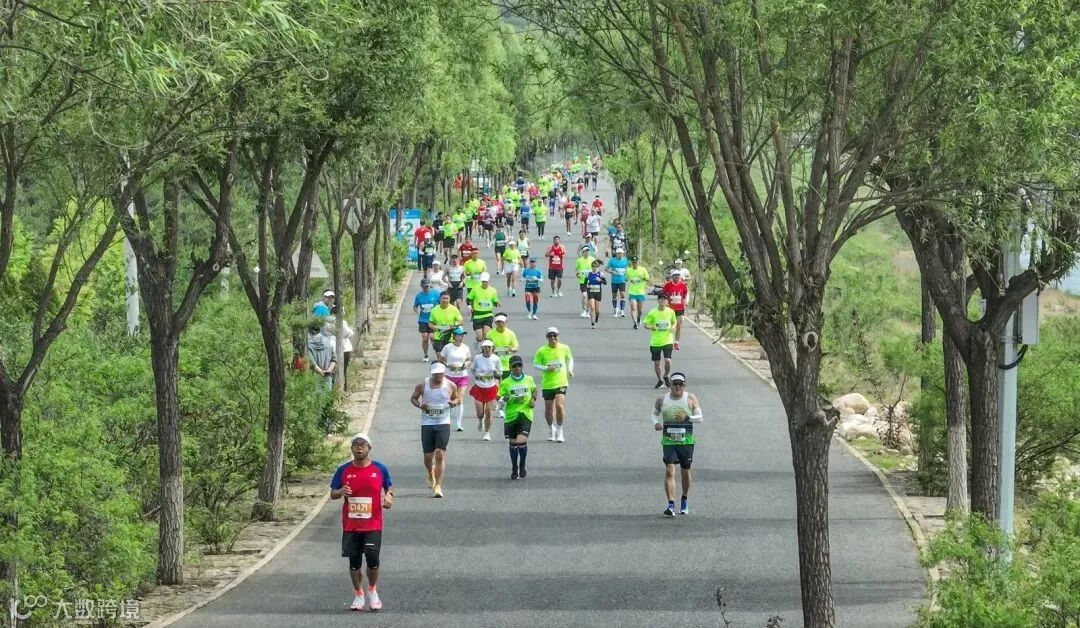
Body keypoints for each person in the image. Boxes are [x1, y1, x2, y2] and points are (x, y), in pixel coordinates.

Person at [330, 433, 393, 611]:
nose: (359, 447)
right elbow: (333, 494)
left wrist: (389, 497)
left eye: (363, 444)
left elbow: (389, 487)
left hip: (373, 523)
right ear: (351, 448)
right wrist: (341, 491)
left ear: (369, 448)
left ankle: (372, 590)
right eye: (356, 444)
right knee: (354, 562)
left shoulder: (380, 469)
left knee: (372, 558)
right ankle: (358, 594)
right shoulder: (343, 470)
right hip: (351, 525)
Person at [652, 372, 703, 516]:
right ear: (671, 385)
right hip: (669, 441)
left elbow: (700, 418)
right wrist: (656, 423)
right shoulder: (662, 399)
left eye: (680, 384)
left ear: (684, 385)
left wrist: (687, 417)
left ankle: (684, 499)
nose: (678, 386)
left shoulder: (691, 398)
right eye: (675, 384)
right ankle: (671, 504)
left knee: (685, 471)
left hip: (686, 441)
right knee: (670, 470)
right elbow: (654, 414)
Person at [410, 363, 461, 498]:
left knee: (440, 454)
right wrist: (421, 405)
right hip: (427, 422)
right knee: (428, 457)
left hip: (443, 422)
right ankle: (430, 472)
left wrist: (453, 403)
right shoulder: (423, 385)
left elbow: (456, 398)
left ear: (444, 373)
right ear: (431, 373)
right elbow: (413, 398)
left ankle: (438, 486)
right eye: (435, 374)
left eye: (440, 374)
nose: (438, 376)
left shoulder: (450, 385)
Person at [532, 327, 574, 443]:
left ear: (558, 336)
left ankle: (560, 430)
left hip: (561, 382)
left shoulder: (564, 348)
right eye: (550, 336)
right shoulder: (542, 351)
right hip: (548, 384)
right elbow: (535, 364)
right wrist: (546, 368)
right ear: (547, 338)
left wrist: (570, 370)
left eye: (554, 335)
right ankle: (551, 428)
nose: (553, 338)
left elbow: (569, 359)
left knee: (559, 406)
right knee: (549, 410)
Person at [499, 355, 536, 480]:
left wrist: (533, 399)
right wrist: (503, 399)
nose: (517, 368)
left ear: (522, 366)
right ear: (510, 367)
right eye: (514, 366)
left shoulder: (529, 379)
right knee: (513, 444)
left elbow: (534, 390)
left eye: (519, 365)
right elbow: (498, 398)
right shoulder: (505, 382)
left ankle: (522, 464)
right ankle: (514, 467)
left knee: (521, 442)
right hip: (511, 416)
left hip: (525, 414)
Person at [438, 327, 471, 432]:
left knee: (459, 400)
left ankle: (458, 423)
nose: (461, 337)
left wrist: (466, 364)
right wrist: (448, 365)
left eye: (462, 335)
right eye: (459, 335)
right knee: (449, 399)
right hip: (449, 376)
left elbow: (468, 359)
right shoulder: (448, 347)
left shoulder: (465, 348)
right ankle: (445, 420)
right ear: (454, 336)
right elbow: (440, 359)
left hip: (462, 376)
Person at [643, 293, 678, 388]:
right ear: (658, 300)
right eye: (661, 299)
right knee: (657, 363)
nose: (663, 301)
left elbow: (674, 322)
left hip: (667, 340)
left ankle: (666, 375)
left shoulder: (671, 312)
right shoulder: (652, 312)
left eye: (664, 299)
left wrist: (673, 327)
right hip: (656, 342)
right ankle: (660, 380)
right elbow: (645, 324)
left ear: (667, 301)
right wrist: (651, 327)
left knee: (668, 361)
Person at [470, 340, 502, 441]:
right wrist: (476, 375)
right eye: (485, 347)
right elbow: (472, 369)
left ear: (492, 348)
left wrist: (496, 373)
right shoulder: (478, 358)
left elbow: (500, 372)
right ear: (482, 348)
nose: (487, 349)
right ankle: (480, 421)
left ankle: (487, 433)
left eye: (489, 347)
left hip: (490, 386)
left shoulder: (496, 359)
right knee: (480, 413)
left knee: (488, 411)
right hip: (479, 386)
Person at [413, 278, 442, 362]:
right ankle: (426, 355)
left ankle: (438, 355)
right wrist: (418, 312)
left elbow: (441, 304)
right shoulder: (419, 296)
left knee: (432, 337)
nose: (426, 288)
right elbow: (415, 307)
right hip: (423, 320)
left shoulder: (436, 294)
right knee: (425, 337)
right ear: (421, 286)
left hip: (433, 320)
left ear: (430, 285)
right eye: (424, 286)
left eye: (427, 286)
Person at [427, 292, 463, 357]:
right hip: (439, 336)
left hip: (450, 337)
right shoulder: (434, 310)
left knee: (449, 357)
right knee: (440, 357)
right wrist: (434, 328)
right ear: (440, 299)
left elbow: (460, 321)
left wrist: (454, 324)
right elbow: (430, 323)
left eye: (447, 298)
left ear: (449, 300)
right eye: (443, 298)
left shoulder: (454, 309)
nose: (445, 300)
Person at [468, 272, 499, 344]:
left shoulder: (493, 290)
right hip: (477, 316)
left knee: (486, 335)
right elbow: (468, 299)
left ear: (489, 281)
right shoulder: (475, 289)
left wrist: (497, 303)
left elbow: (495, 302)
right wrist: (469, 307)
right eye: (483, 281)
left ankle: (484, 349)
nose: (484, 283)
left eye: (486, 281)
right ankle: (478, 342)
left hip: (488, 315)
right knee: (480, 337)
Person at [329, 306, 355, 390]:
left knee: (333, 368)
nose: (344, 313)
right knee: (343, 369)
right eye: (342, 311)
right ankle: (343, 388)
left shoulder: (328, 321)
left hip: (331, 347)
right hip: (344, 349)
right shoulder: (342, 322)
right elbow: (350, 333)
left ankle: (333, 387)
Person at [307, 321, 337, 391]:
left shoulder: (309, 346)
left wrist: (321, 372)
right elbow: (334, 359)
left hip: (315, 376)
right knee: (327, 395)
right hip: (328, 374)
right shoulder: (328, 343)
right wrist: (328, 371)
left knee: (316, 396)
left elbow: (312, 363)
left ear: (309, 332)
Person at [663, 271, 689, 350]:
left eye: (678, 275)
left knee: (679, 325)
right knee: (669, 325)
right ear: (672, 276)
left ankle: (676, 342)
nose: (677, 277)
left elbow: (685, 295)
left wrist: (685, 302)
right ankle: (668, 341)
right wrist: (665, 302)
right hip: (670, 308)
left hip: (680, 308)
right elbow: (663, 294)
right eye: (675, 275)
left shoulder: (683, 285)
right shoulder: (667, 285)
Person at [625, 256, 651, 329]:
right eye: (633, 262)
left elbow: (648, 279)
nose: (635, 264)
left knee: (640, 310)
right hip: (632, 292)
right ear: (632, 263)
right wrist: (626, 278)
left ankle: (639, 318)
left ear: (638, 262)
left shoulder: (643, 270)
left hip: (640, 292)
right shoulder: (629, 270)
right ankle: (635, 323)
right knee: (633, 307)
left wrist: (643, 277)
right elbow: (626, 279)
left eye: (636, 262)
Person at [575, 244, 597, 318]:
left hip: (591, 280)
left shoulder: (592, 259)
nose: (586, 252)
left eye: (588, 251)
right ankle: (584, 310)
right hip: (583, 280)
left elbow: (596, 268)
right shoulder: (579, 260)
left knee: (589, 296)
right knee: (584, 295)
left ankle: (587, 311)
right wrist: (577, 274)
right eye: (585, 251)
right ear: (582, 252)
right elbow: (576, 269)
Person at [606, 247, 629, 317]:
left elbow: (627, 269)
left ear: (623, 254)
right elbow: (606, 269)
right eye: (618, 253)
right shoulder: (612, 260)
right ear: (616, 254)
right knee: (614, 295)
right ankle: (615, 308)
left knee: (622, 294)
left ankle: (622, 310)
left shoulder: (625, 260)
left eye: (621, 253)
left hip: (622, 280)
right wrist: (611, 272)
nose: (620, 255)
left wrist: (627, 276)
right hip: (614, 281)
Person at [585, 259, 607, 328]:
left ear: (598, 267)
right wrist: (587, 285)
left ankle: (597, 316)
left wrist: (600, 280)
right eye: (593, 267)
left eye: (596, 267)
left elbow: (605, 283)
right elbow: (585, 283)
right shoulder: (588, 274)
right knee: (592, 307)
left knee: (597, 310)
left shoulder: (600, 274)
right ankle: (592, 323)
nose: (594, 268)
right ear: (591, 267)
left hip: (598, 292)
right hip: (591, 292)